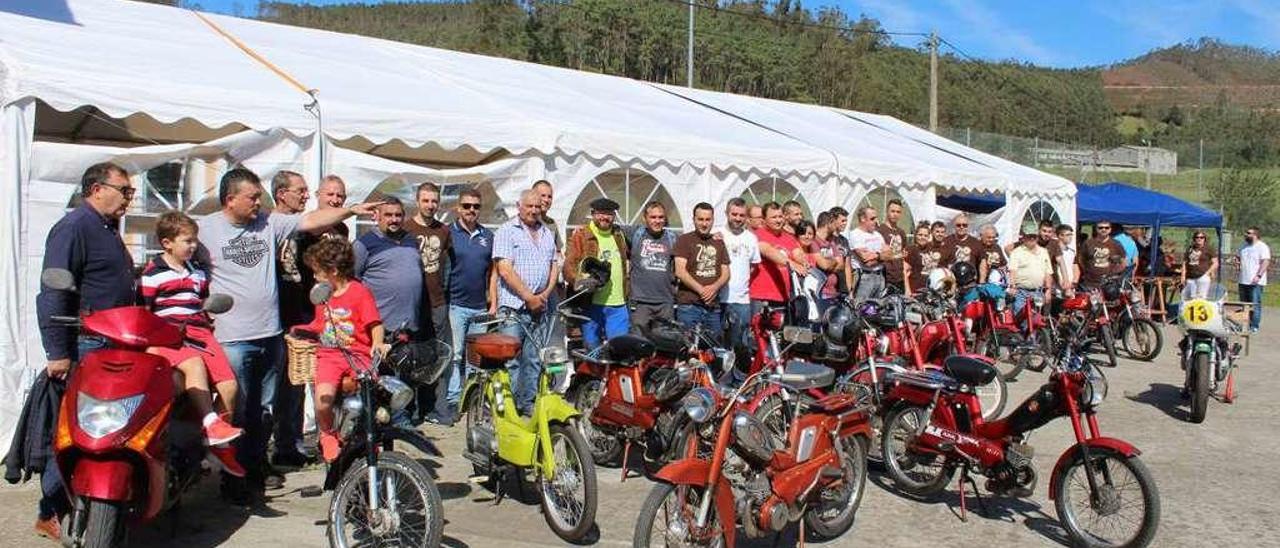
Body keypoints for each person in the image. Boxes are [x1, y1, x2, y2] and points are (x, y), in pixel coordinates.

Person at [197, 168, 376, 504]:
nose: (257, 203)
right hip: (232, 337)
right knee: (237, 410)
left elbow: (312, 220)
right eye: (251, 197)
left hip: (270, 333)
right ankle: (233, 477)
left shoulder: (268, 223)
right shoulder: (205, 229)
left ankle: (254, 468)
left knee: (263, 409)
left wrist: (351, 210)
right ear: (229, 198)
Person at [33, 162, 138, 539]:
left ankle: (97, 505)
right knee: (74, 429)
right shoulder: (74, 227)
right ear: (97, 189)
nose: (129, 198)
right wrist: (58, 351)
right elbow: (53, 292)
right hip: (85, 344)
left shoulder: (107, 229)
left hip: (114, 342)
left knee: (105, 425)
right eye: (124, 190)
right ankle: (51, 507)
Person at [140, 211, 245, 473]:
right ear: (167, 243)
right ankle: (210, 423)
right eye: (187, 241)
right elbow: (144, 311)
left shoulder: (197, 273)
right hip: (168, 335)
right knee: (193, 365)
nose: (193, 245)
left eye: (195, 240)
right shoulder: (152, 274)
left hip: (200, 334)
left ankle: (216, 442)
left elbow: (203, 303)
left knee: (230, 386)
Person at [290, 238, 385, 463]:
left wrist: (378, 344)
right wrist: (300, 330)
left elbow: (375, 323)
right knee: (323, 399)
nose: (314, 276)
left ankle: (371, 436)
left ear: (333, 271)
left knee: (370, 395)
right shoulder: (321, 295)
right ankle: (327, 433)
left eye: (317, 271)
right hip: (329, 356)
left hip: (357, 354)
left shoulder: (360, 292)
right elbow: (319, 325)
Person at [493, 190, 559, 413]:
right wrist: (528, 297)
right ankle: (509, 409)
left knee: (533, 359)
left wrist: (545, 294)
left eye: (537, 206)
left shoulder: (546, 232)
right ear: (518, 206)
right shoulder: (507, 231)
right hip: (514, 307)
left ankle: (527, 404)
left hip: (540, 306)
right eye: (529, 206)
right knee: (511, 361)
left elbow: (554, 265)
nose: (533, 210)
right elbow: (504, 269)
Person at [443, 189, 496, 421]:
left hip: (480, 306)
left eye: (475, 206)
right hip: (456, 304)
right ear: (458, 207)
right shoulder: (449, 233)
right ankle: (454, 398)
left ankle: (473, 396)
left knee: (476, 357)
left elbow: (493, 271)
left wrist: (493, 300)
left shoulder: (488, 235)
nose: (471, 210)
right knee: (455, 355)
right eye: (466, 206)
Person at [403, 182, 453, 424]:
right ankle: (409, 411)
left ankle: (438, 408)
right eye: (426, 200)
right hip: (411, 304)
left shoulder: (444, 230)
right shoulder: (405, 228)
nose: (430, 205)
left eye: (434, 201)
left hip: (437, 303)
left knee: (439, 356)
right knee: (411, 358)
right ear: (417, 201)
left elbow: (451, 265)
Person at [565, 197, 630, 349]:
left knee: (619, 350)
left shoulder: (619, 235)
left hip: (618, 304)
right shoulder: (581, 236)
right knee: (591, 349)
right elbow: (569, 266)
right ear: (593, 214)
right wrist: (581, 282)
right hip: (591, 303)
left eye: (609, 214)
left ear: (614, 216)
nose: (604, 217)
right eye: (600, 213)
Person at [354, 197, 423, 333]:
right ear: (377, 216)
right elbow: (353, 283)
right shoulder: (363, 244)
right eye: (388, 215)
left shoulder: (411, 240)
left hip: (409, 327)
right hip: (379, 328)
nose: (394, 219)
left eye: (398, 215)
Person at [715, 198, 760, 376]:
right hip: (718, 298)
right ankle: (718, 378)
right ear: (727, 214)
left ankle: (739, 379)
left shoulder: (751, 238)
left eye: (741, 215)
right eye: (734, 214)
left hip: (741, 299)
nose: (738, 218)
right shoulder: (716, 233)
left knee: (741, 344)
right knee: (718, 343)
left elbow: (754, 265)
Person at [673, 202, 730, 344]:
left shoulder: (718, 242)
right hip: (689, 305)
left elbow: (726, 273)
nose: (704, 224)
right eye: (700, 219)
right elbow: (680, 271)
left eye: (708, 220)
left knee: (714, 350)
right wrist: (702, 290)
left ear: (712, 220)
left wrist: (714, 288)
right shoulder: (684, 240)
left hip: (712, 307)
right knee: (688, 349)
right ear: (694, 219)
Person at [627, 202, 678, 337]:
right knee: (638, 344)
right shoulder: (636, 234)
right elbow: (612, 228)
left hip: (665, 302)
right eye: (653, 217)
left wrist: (715, 235)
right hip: (640, 302)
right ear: (645, 218)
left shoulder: (672, 238)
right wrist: (582, 230)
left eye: (661, 217)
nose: (657, 221)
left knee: (665, 345)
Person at [750, 202, 808, 315]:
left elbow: (797, 253)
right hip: (761, 296)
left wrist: (803, 262)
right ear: (764, 219)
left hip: (785, 296)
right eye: (774, 217)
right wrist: (793, 264)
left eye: (780, 216)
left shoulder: (789, 238)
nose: (778, 220)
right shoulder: (756, 235)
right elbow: (768, 251)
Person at [1006, 230, 1055, 326]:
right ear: (1023, 238)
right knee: (1021, 319)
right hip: (1021, 292)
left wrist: (1048, 290)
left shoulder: (1043, 252)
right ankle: (1021, 339)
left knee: (1036, 320)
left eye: (1034, 236)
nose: (1032, 239)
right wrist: (1012, 286)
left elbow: (1048, 272)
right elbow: (1012, 271)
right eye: (1029, 236)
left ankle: (1034, 339)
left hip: (1038, 292)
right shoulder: (1016, 252)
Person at [849, 206, 887, 303]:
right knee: (861, 308)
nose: (876, 221)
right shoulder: (855, 235)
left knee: (877, 310)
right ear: (862, 219)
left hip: (880, 276)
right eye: (872, 218)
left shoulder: (877, 235)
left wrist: (876, 255)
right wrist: (881, 255)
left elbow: (890, 254)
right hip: (865, 277)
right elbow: (866, 261)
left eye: (876, 218)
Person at [1236, 226, 1270, 332]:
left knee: (1255, 304)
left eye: (1248, 233)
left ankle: (1254, 326)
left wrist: (1258, 275)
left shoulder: (1262, 247)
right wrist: (1237, 263)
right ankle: (1244, 324)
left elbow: (1265, 262)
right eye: (1246, 233)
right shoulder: (1243, 246)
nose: (1246, 234)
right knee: (1244, 304)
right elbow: (1238, 257)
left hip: (1256, 282)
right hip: (1243, 280)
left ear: (1255, 235)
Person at [1076, 220, 1125, 291]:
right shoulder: (1088, 243)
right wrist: (1088, 271)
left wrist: (1113, 274)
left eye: (1106, 228)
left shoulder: (1116, 244)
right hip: (1090, 283)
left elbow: (1123, 262)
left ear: (1110, 229)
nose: (1103, 229)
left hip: (1109, 284)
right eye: (1100, 227)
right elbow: (1081, 259)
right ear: (1096, 229)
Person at [810, 212, 843, 311]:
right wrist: (833, 261)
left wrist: (829, 262)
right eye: (834, 223)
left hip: (833, 292)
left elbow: (841, 265)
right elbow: (823, 265)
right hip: (820, 292)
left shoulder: (831, 242)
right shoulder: (813, 241)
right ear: (829, 223)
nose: (837, 226)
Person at [878, 200, 908, 294]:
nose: (895, 214)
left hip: (899, 278)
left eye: (898, 212)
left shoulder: (901, 232)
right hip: (885, 277)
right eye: (892, 211)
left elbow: (902, 256)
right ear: (887, 212)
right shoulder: (880, 230)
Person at [1181, 231, 1219, 300]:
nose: (1199, 239)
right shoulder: (1190, 249)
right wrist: (1183, 275)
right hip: (1190, 277)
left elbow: (1215, 263)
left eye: (1201, 237)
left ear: (1204, 239)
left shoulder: (1209, 249)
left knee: (1201, 298)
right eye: (1197, 237)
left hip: (1202, 277)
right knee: (1189, 298)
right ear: (1194, 239)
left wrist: (1207, 273)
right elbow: (1184, 262)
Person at [902, 223, 933, 294]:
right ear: (916, 235)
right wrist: (907, 290)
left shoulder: (930, 249)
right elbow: (904, 271)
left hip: (928, 290)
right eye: (920, 235)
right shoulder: (910, 250)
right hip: (915, 289)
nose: (923, 237)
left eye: (925, 235)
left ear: (929, 237)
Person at [1047, 224, 1078, 295]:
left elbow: (1075, 267)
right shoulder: (1053, 251)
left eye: (1071, 234)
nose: (1071, 237)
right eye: (1068, 235)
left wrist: (1074, 283)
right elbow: (1053, 269)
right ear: (1060, 236)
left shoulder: (1072, 252)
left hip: (1070, 287)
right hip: (1057, 288)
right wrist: (1062, 285)